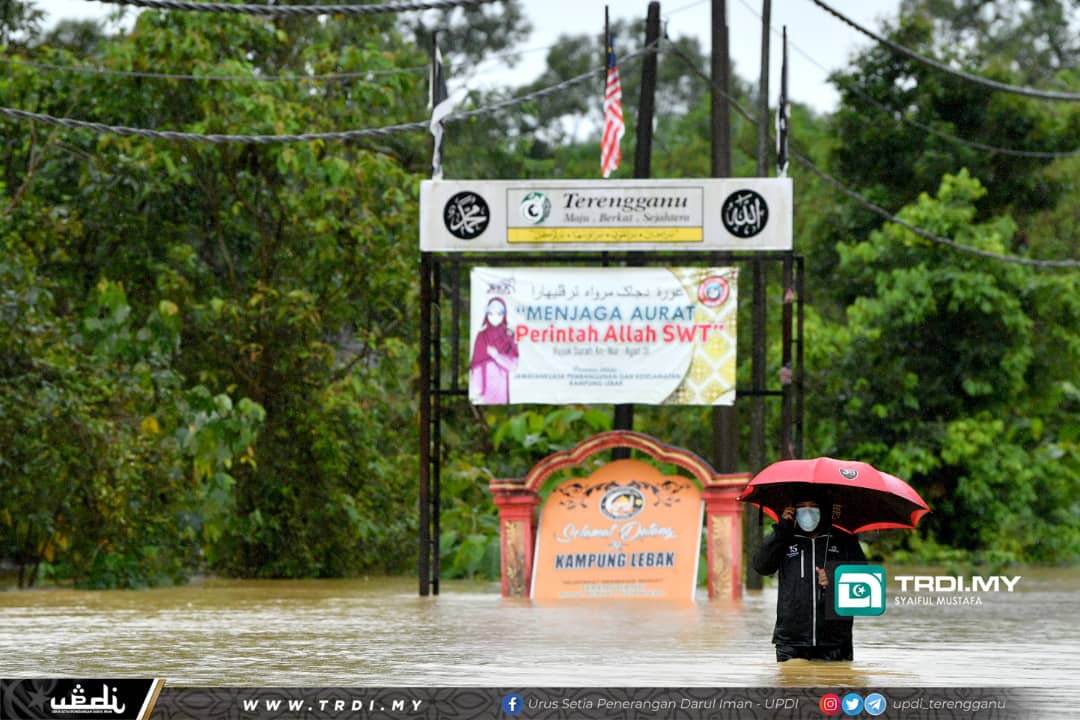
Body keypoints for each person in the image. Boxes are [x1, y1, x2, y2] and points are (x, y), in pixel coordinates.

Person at [752, 489, 866, 661]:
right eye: (801, 507)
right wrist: (782, 529)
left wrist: (834, 578)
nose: (808, 512)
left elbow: (865, 583)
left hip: (834, 642)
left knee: (835, 685)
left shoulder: (843, 539)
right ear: (793, 510)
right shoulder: (784, 538)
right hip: (791, 641)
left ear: (825, 509)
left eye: (813, 507)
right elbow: (761, 566)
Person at [469, 297, 519, 404]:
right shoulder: (481, 336)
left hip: (501, 388)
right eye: (491, 313)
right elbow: (475, 366)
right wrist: (478, 391)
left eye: (499, 313)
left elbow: (513, 365)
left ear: (504, 315)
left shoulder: (509, 336)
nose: (495, 317)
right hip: (484, 389)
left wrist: (496, 356)